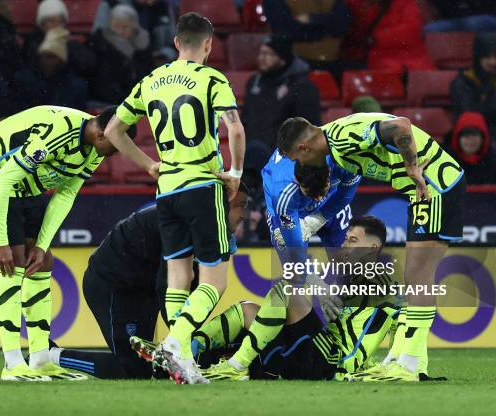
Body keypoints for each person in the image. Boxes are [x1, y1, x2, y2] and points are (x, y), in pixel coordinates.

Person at [104, 12, 246, 384]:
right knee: (215, 281)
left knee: (178, 278)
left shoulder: (151, 80)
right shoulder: (212, 78)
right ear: (209, 45)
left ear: (175, 43)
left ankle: (179, 359)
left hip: (166, 190)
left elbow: (113, 130)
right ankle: (175, 342)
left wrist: (149, 165)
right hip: (202, 184)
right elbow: (235, 127)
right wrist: (235, 173)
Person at [274, 112, 466, 382]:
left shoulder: (341, 138)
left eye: (296, 158)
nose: (298, 164)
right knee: (416, 277)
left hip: (433, 184)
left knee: (418, 277)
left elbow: (401, 125)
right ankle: (408, 359)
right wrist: (313, 223)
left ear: (303, 147)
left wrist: (411, 167)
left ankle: (408, 364)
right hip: (424, 189)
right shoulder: (336, 148)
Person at [0, 105, 122, 382]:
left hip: (26, 183)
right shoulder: (57, 133)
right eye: (117, 143)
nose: (118, 152)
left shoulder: (95, 149)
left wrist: (43, 243)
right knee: (13, 261)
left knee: (43, 260)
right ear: (100, 134)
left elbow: (66, 194)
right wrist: (0, 241)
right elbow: (3, 181)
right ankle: (12, 363)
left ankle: (39, 359)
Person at [49, 184, 249, 379]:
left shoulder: (219, 234)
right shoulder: (185, 222)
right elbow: (168, 284)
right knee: (134, 370)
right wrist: (180, 338)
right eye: (239, 205)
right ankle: (52, 356)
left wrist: (181, 335)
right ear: (221, 203)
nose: (243, 215)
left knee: (153, 367)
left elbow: (194, 286)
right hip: (113, 283)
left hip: (144, 288)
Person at [201, 216, 400, 381]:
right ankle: (186, 350)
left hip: (332, 362)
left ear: (374, 248)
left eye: (353, 241)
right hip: (310, 353)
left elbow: (403, 318)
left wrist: (393, 362)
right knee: (247, 309)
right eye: (345, 239)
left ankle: (237, 364)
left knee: (287, 290)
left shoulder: (382, 280)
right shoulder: (344, 277)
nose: (345, 245)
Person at [243, 35, 321, 165]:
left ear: (283, 58)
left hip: (286, 159)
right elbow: (246, 118)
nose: (262, 58)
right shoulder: (254, 83)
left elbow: (309, 126)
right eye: (261, 53)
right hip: (254, 155)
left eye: (269, 54)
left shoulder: (302, 86)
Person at [450, 33, 496, 142]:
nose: (494, 62)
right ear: (478, 57)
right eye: (488, 57)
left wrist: (490, 110)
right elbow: (471, 115)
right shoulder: (463, 82)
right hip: (480, 136)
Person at [344, 0, 434, 73]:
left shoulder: (406, 3)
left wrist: (377, 38)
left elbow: (411, 31)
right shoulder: (362, 5)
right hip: (380, 61)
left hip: (412, 62)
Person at [263, 0, 351, 75]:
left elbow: (343, 24)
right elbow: (286, 31)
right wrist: (325, 31)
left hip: (333, 60)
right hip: (296, 60)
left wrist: (312, 18)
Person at [12, 27, 88, 111]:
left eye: (51, 57)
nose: (46, 61)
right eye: (43, 56)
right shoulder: (25, 81)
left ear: (61, 61)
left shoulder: (76, 86)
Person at [21, 0, 96, 79]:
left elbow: (89, 66)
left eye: (60, 21)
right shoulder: (33, 42)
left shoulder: (71, 43)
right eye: (51, 21)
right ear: (42, 24)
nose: (57, 25)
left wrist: (69, 46)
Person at [447, 112, 496, 185]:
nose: (470, 140)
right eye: (466, 135)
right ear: (458, 139)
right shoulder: (448, 162)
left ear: (483, 138)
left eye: (474, 135)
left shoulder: (495, 161)